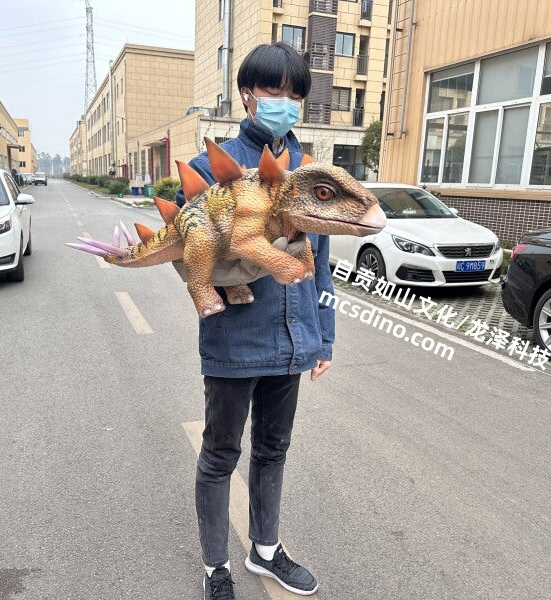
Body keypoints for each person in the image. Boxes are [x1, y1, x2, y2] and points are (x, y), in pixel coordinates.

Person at [174, 43, 335, 600]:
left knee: (273, 450)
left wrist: (324, 336)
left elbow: (322, 263)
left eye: (295, 94)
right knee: (221, 454)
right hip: (236, 340)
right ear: (247, 95)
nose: (285, 103)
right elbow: (192, 259)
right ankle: (215, 567)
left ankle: (265, 550)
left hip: (293, 340)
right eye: (273, 91)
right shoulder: (210, 167)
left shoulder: (309, 172)